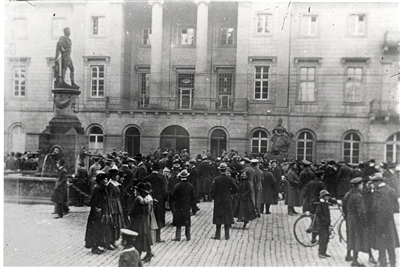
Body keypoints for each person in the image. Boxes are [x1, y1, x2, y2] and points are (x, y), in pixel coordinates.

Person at [370, 172, 399, 267]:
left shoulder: (378, 192)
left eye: (373, 183)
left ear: (377, 182)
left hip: (380, 222)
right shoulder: (391, 190)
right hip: (390, 222)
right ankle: (393, 263)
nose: (372, 185)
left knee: (381, 245)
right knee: (391, 244)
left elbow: (375, 207)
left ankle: (382, 264)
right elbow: (396, 207)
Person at [342, 177, 368, 266]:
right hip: (356, 220)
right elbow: (361, 211)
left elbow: (343, 207)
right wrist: (364, 221)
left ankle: (348, 255)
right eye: (361, 185)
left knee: (350, 236)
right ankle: (355, 261)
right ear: (358, 185)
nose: (362, 186)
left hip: (349, 219)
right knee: (357, 239)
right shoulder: (358, 196)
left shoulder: (347, 194)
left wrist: (346, 216)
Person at [210, 163, 239, 240]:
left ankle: (217, 235)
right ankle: (227, 235)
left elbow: (212, 191)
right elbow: (236, 189)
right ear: (226, 170)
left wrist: (214, 197)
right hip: (227, 199)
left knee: (218, 216)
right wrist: (230, 193)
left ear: (219, 170)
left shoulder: (216, 179)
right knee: (227, 217)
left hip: (218, 200)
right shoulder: (230, 179)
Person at [84, 172, 110, 254]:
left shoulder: (102, 188)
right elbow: (93, 201)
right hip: (96, 213)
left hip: (101, 211)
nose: (106, 181)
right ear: (101, 180)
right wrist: (97, 209)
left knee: (99, 229)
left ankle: (97, 245)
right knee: (95, 229)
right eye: (104, 179)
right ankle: (94, 247)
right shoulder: (97, 189)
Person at [143, 162, 168, 243]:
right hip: (159, 202)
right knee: (159, 218)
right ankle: (158, 237)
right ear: (159, 169)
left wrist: (152, 198)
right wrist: (160, 199)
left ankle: (149, 237)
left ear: (151, 169)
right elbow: (164, 191)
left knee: (149, 218)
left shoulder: (147, 178)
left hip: (149, 200)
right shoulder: (162, 177)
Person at [128, 182, 153, 263]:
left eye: (136, 190)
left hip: (137, 221)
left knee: (137, 237)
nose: (135, 191)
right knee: (145, 236)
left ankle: (138, 255)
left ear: (139, 191)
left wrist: (130, 215)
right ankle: (148, 253)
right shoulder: (146, 199)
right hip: (144, 220)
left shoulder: (137, 199)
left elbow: (133, 211)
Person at [171, 169, 196, 241]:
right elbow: (193, 197)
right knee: (187, 221)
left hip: (178, 205)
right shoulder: (190, 186)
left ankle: (178, 236)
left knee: (178, 221)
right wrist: (191, 204)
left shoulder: (177, 186)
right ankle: (188, 236)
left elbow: (174, 196)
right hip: (186, 205)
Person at [314, 189, 337, 258]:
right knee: (322, 239)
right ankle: (321, 252)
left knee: (326, 238)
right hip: (322, 224)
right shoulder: (321, 204)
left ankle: (324, 252)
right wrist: (323, 219)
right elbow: (318, 213)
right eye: (326, 196)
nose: (328, 197)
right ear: (323, 197)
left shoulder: (325, 203)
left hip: (326, 223)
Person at [107, 168, 125, 249]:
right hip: (113, 207)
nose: (117, 177)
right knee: (113, 224)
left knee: (117, 224)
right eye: (116, 175)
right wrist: (110, 208)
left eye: (117, 175)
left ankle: (114, 240)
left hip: (118, 206)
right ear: (112, 176)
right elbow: (109, 198)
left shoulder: (116, 184)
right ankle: (110, 241)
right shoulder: (110, 185)